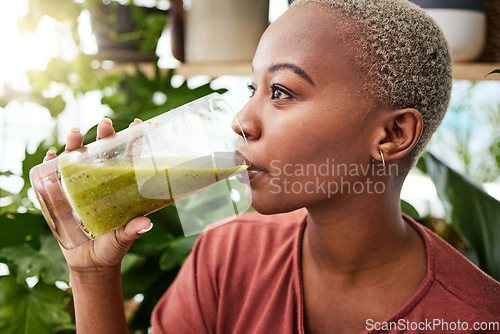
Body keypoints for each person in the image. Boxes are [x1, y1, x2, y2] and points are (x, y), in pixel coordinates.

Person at [44, 0, 500, 333]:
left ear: (392, 135)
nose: (241, 121)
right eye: (251, 88)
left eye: (281, 91)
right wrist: (91, 275)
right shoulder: (228, 257)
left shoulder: (476, 319)